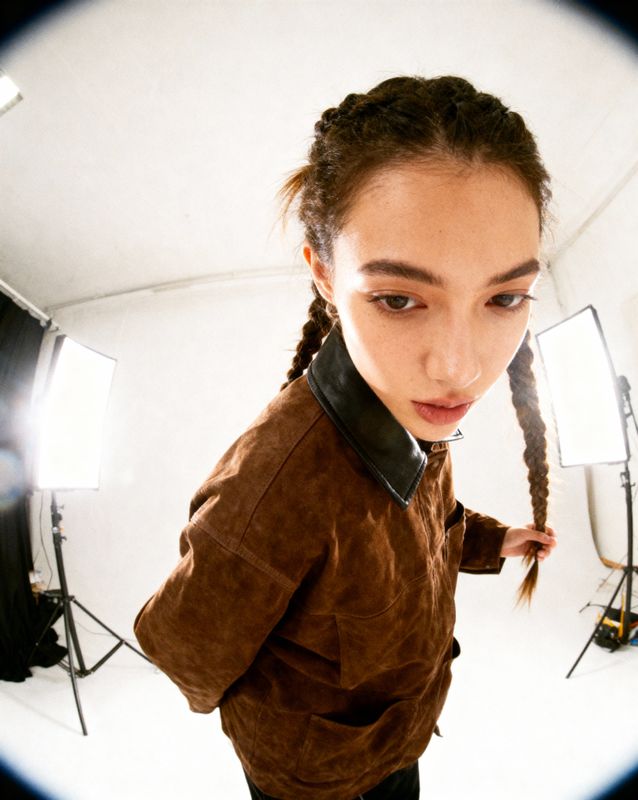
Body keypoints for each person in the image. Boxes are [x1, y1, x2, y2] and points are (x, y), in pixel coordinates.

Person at [133, 74, 558, 800]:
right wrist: (298, 717)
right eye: (399, 298)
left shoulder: (413, 405)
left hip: (402, 740)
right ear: (325, 275)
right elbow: (181, 646)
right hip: (317, 780)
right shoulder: (278, 480)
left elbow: (431, 527)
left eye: (503, 297)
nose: (460, 367)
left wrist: (498, 542)